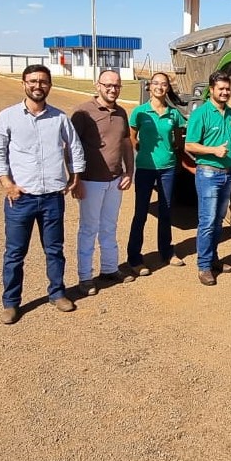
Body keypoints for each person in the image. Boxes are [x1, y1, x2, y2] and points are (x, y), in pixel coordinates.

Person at [0, 64, 86, 324]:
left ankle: (57, 293)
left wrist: (75, 176)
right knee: (14, 253)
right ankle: (11, 303)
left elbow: (74, 147)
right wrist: (7, 183)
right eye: (32, 81)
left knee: (54, 250)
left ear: (49, 85)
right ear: (24, 84)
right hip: (20, 198)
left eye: (43, 81)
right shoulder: (7, 117)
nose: (38, 86)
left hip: (52, 197)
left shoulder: (59, 118)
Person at [70, 69, 134, 296]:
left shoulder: (121, 113)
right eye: (108, 85)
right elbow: (71, 147)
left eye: (116, 85)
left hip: (115, 180)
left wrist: (129, 171)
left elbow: (126, 143)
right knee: (89, 229)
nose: (112, 89)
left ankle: (109, 268)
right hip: (91, 181)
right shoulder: (83, 113)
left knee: (109, 226)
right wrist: (75, 179)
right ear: (98, 85)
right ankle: (85, 277)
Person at [184, 71, 231, 286]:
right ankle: (204, 266)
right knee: (207, 222)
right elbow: (190, 145)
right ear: (211, 90)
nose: (225, 92)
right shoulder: (201, 114)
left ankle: (214, 258)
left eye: (227, 88)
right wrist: (213, 150)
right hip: (208, 173)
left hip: (228, 174)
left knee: (218, 221)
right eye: (221, 89)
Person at [127, 72, 187, 272]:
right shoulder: (140, 112)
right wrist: (142, 150)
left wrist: (172, 154)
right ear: (149, 87)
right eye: (156, 83)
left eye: (164, 84)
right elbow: (132, 137)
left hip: (167, 168)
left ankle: (167, 251)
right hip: (145, 168)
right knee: (141, 212)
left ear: (168, 88)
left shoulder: (174, 114)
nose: (160, 87)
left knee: (166, 211)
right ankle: (135, 258)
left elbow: (178, 141)